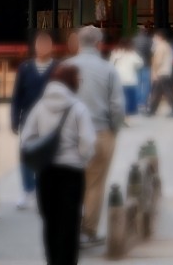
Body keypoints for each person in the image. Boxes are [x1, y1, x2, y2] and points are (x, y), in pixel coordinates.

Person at [19, 65, 96, 265]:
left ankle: (52, 260)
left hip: (46, 173)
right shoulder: (78, 108)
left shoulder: (40, 106)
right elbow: (87, 143)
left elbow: (27, 138)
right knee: (69, 224)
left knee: (50, 221)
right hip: (71, 172)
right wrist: (81, 159)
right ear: (71, 82)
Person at [65, 26, 124, 248]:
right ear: (99, 44)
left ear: (78, 43)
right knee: (95, 184)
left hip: (70, 136)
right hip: (100, 132)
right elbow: (117, 106)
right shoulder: (108, 69)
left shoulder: (65, 67)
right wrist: (114, 129)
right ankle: (87, 231)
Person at [11, 31, 59, 210]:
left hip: (51, 119)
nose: (42, 47)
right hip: (29, 118)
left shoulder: (58, 67)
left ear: (51, 46)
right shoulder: (25, 68)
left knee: (48, 156)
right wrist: (15, 117)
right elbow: (17, 95)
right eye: (39, 43)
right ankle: (27, 189)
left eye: (46, 44)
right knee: (26, 155)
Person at [147, 29, 173, 117]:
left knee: (167, 92)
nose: (154, 39)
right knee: (158, 92)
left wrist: (154, 71)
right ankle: (152, 109)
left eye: (155, 37)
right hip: (166, 71)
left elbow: (158, 61)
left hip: (161, 72)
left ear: (159, 37)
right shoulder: (167, 45)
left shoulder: (161, 46)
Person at [109, 40, 143, 118]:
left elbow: (110, 65)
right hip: (130, 80)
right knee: (129, 101)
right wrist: (135, 68)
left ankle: (120, 116)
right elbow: (140, 63)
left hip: (119, 80)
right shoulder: (132, 54)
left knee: (119, 100)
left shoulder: (116, 53)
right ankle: (127, 117)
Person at [133, 24, 153, 114]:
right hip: (146, 64)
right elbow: (151, 53)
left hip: (136, 65)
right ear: (145, 31)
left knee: (137, 83)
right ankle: (144, 102)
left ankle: (138, 102)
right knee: (146, 85)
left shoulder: (134, 40)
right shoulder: (149, 40)